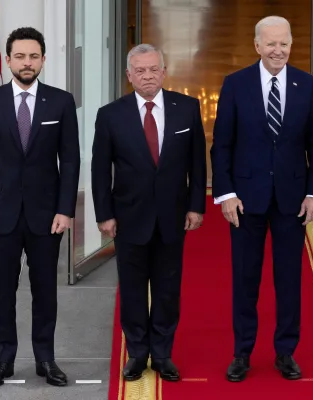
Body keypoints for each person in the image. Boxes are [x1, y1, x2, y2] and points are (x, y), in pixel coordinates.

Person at [210, 15, 313, 382]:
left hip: (292, 200)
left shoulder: (306, 84)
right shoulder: (235, 84)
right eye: (271, 43)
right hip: (246, 201)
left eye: (284, 43)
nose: (278, 50)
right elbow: (222, 144)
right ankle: (242, 353)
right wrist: (226, 194)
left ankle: (285, 352)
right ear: (257, 45)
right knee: (245, 279)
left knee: (289, 280)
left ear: (291, 44)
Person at [0, 27, 80, 388]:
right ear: (8, 60)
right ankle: (4, 358)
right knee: (2, 289)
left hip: (47, 215)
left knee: (45, 289)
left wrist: (65, 209)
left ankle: (46, 358)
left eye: (33, 56)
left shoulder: (61, 102)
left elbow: (70, 160)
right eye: (20, 56)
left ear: (43, 59)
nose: (27, 62)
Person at [91, 44, 206, 382]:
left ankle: (163, 354)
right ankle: (138, 354)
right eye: (140, 71)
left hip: (173, 216)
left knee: (168, 289)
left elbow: (197, 163)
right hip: (129, 217)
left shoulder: (187, 108)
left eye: (154, 69)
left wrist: (196, 206)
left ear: (164, 72)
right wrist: (104, 214)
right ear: (129, 75)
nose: (148, 76)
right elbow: (100, 170)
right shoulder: (110, 115)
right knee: (132, 289)